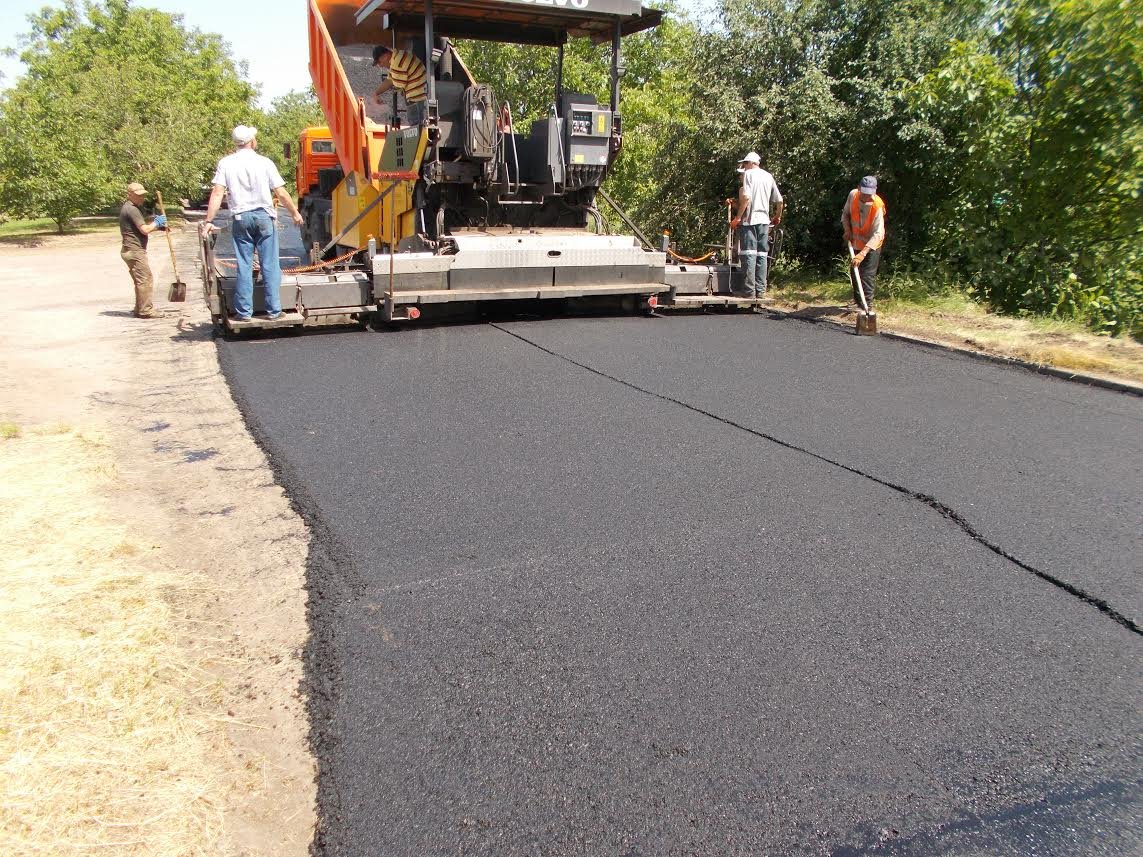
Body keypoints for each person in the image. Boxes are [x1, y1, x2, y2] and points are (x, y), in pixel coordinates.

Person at [201, 125, 304, 321]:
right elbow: (280, 192)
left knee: (244, 264)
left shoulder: (226, 163)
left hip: (241, 218)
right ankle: (274, 311)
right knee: (270, 264)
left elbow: (217, 192)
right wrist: (294, 213)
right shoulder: (264, 162)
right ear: (252, 141)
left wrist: (209, 221)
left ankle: (244, 312)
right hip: (264, 217)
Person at [730, 151, 783, 298]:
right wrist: (777, 216)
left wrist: (738, 218)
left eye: (745, 164)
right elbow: (780, 201)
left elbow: (746, 198)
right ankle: (761, 291)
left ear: (752, 163)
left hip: (750, 221)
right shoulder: (768, 176)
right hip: (764, 222)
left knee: (749, 254)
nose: (744, 167)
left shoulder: (749, 175)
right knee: (762, 255)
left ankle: (749, 291)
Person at [119, 182, 167, 318]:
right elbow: (144, 230)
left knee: (140, 280)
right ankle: (146, 310)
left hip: (131, 249)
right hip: (134, 250)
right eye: (138, 195)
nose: (141, 198)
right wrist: (157, 223)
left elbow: (139, 229)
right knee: (145, 279)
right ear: (130, 195)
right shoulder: (131, 209)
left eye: (143, 195)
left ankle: (139, 308)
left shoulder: (132, 208)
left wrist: (159, 227)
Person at [842, 175, 886, 312]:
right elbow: (845, 215)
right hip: (855, 241)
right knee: (854, 271)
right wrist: (847, 230)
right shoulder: (853, 196)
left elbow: (878, 234)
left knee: (867, 274)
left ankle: (867, 306)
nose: (866, 197)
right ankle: (857, 302)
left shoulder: (877, 206)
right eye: (864, 193)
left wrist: (863, 253)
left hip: (872, 245)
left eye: (869, 194)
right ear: (859, 188)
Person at [372, 45, 428, 126]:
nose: (380, 65)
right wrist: (376, 93)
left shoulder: (397, 64)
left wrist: (384, 102)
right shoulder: (397, 57)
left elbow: (398, 86)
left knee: (417, 128)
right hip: (419, 95)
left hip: (417, 98)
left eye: (380, 62)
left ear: (386, 56)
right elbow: (390, 80)